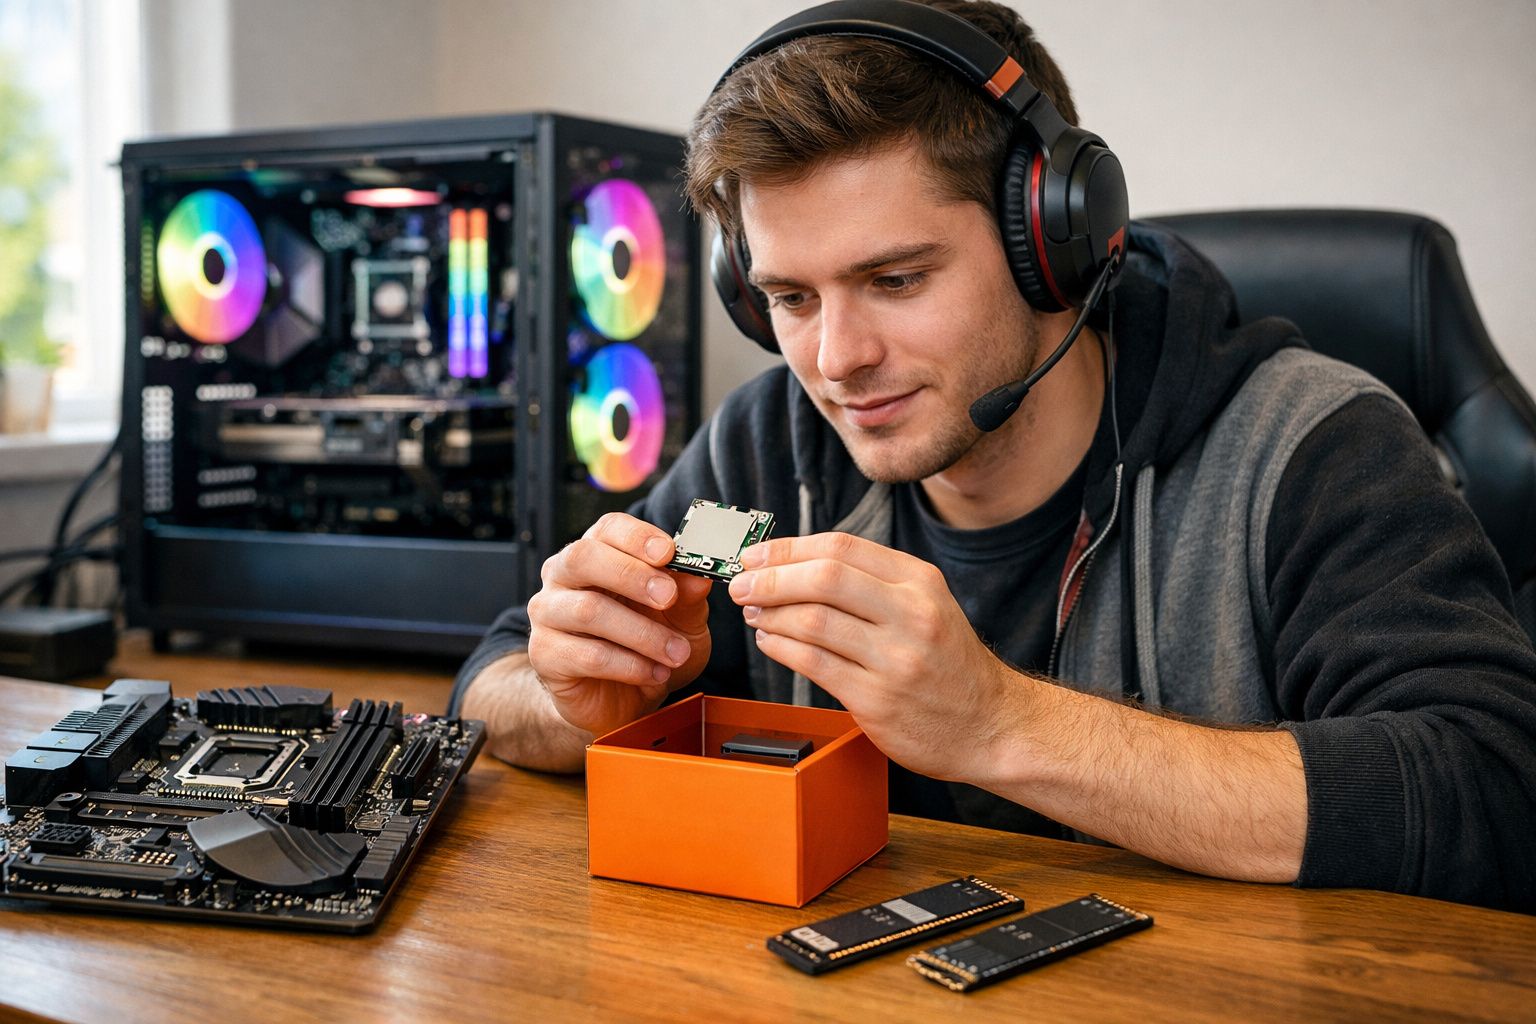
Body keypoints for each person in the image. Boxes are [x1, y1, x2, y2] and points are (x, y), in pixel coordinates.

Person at [451, 0, 1536, 911]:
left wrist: (1000, 723)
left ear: (1052, 243)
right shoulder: (772, 450)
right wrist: (587, 700)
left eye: (896, 280)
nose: (836, 360)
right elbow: (492, 677)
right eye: (790, 297)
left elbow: (1495, 789)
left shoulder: (1309, 446)